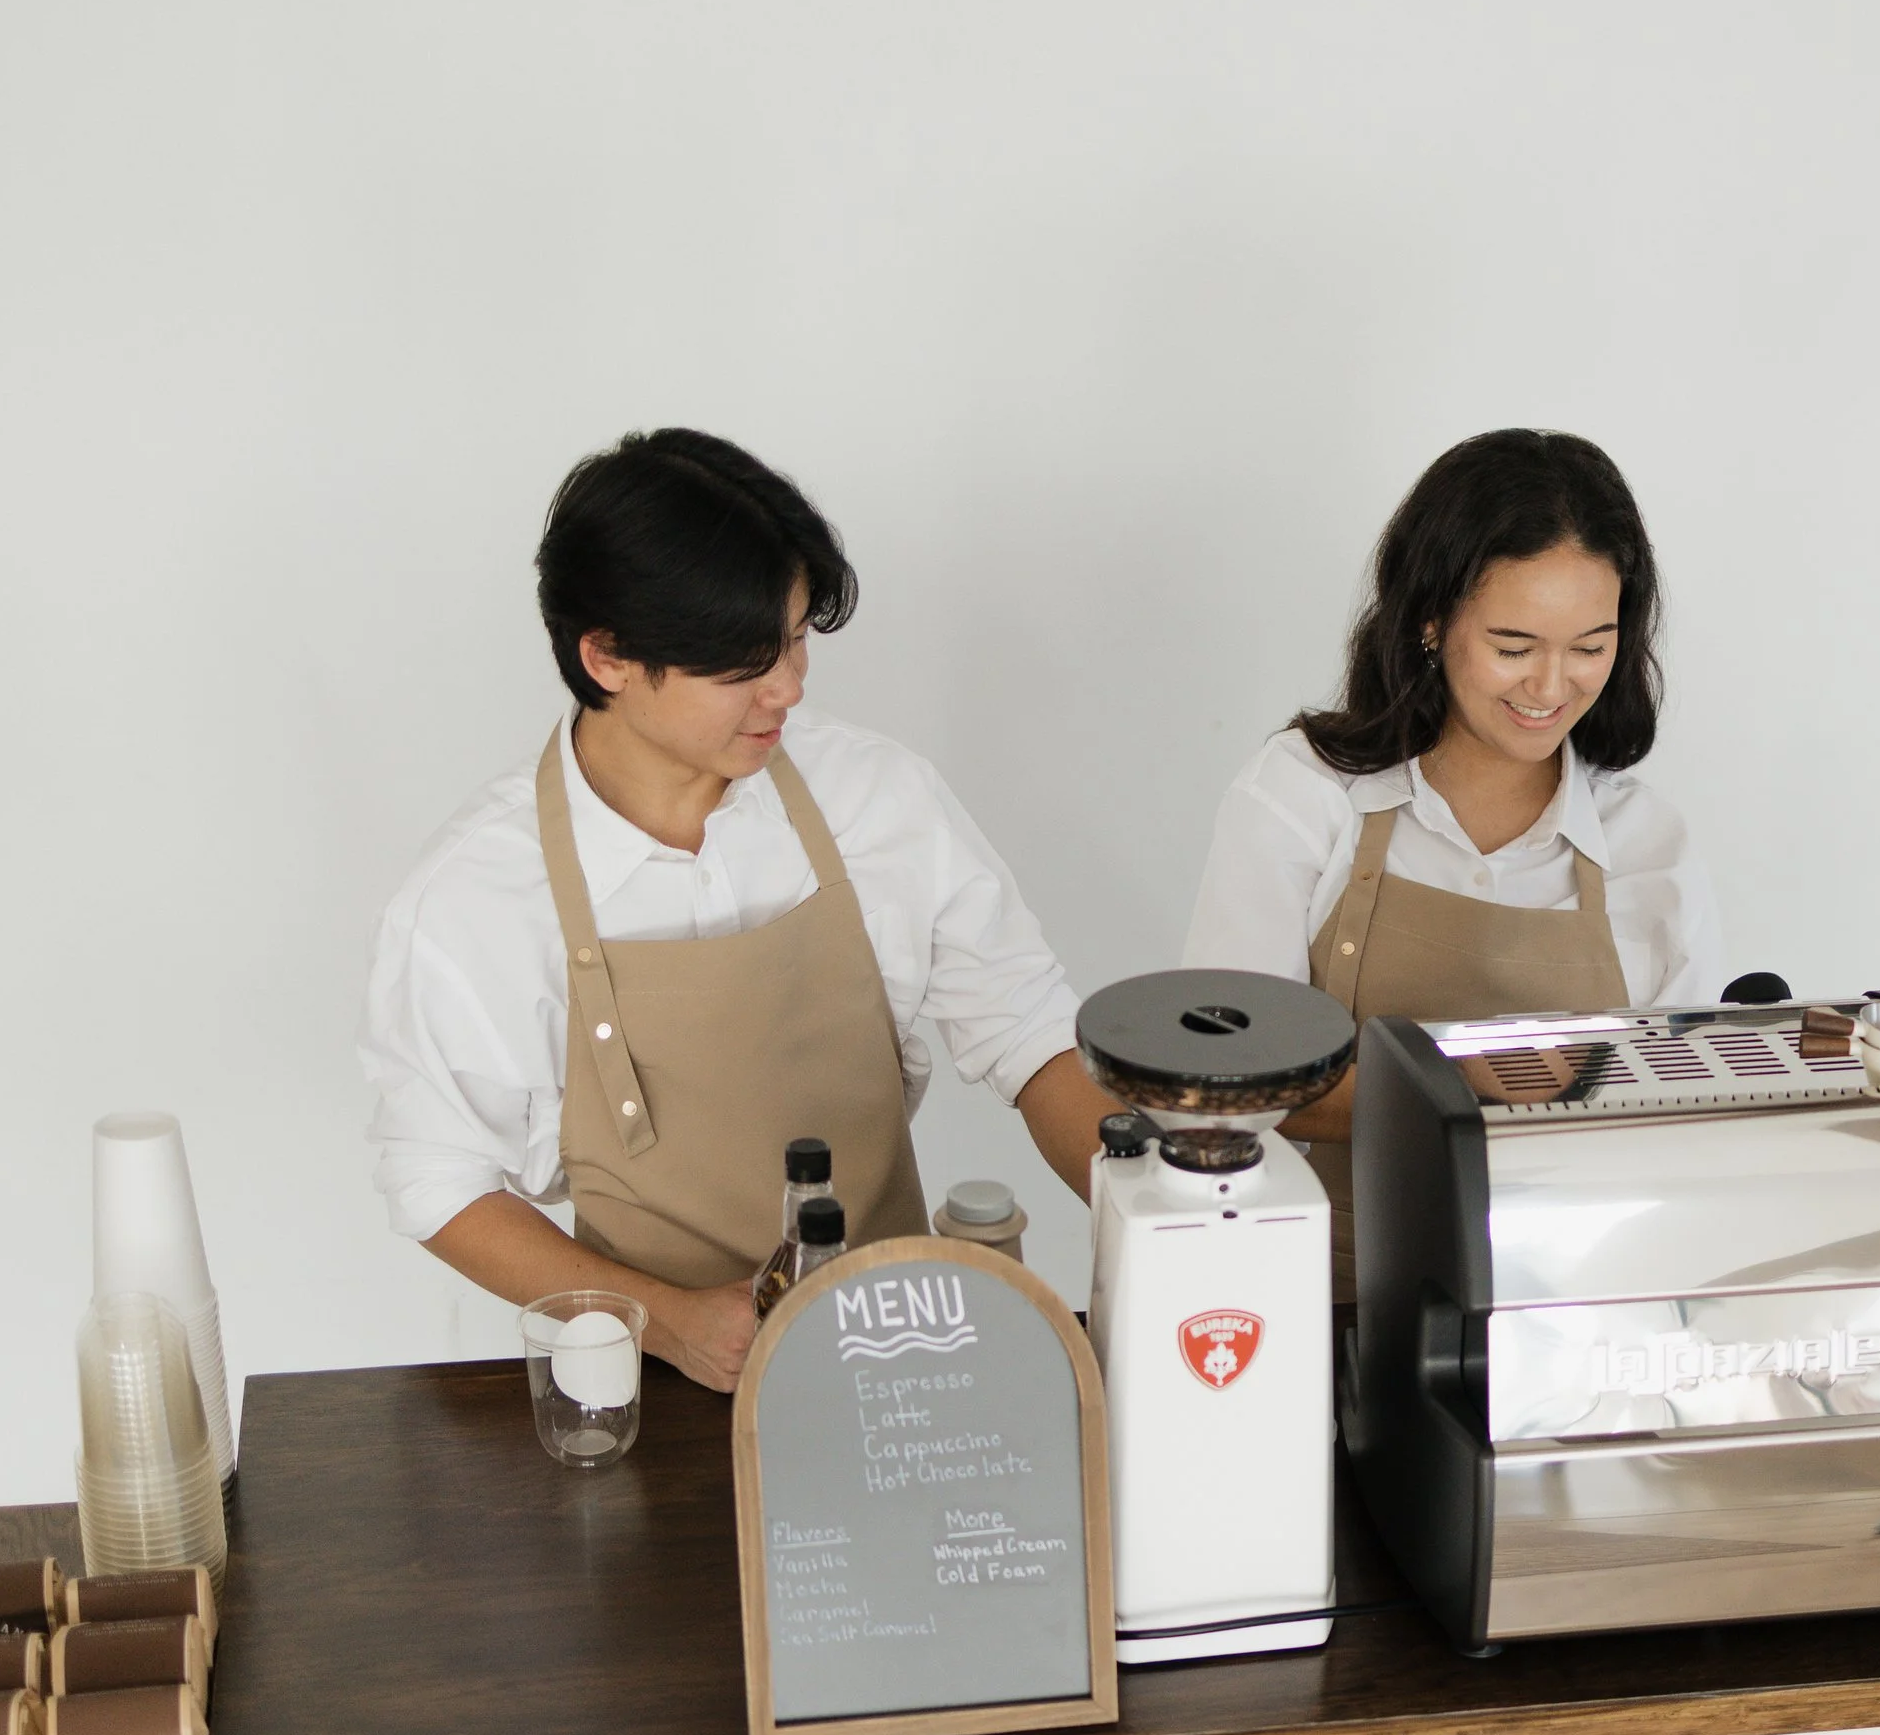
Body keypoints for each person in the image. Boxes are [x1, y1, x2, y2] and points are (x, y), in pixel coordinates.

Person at [361, 428, 1105, 1388]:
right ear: (610, 658)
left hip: (899, 1364)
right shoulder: (472, 897)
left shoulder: (879, 800)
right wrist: (664, 1321)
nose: (789, 689)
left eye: (796, 641)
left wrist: (1156, 1227)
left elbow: (1031, 1033)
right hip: (646, 1388)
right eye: (743, 666)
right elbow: (438, 1181)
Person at [1183, 427, 1725, 1281]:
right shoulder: (1304, 795)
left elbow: (1674, 1124)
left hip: (1568, 1306)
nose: (1552, 689)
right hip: (1313, 1294)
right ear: (1431, 622)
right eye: (1514, 648)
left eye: (1590, 647)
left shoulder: (1649, 846)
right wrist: (1483, 1082)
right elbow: (1225, 1081)